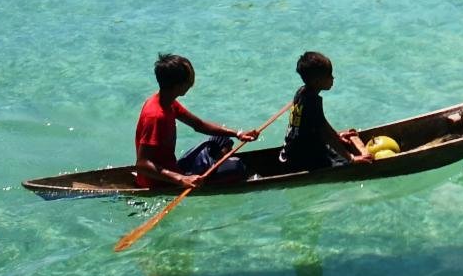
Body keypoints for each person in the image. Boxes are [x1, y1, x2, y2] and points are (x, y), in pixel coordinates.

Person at [134, 52, 254, 190]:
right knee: (237, 167)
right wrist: (182, 179)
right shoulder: (155, 116)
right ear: (177, 85)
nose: (192, 82)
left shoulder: (168, 101)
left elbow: (199, 125)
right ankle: (217, 172)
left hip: (174, 168)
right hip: (165, 181)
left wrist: (238, 134)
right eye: (189, 80)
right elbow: (142, 164)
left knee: (222, 137)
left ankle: (216, 167)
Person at [280, 50, 373, 171]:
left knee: (333, 149)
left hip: (291, 151)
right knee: (344, 162)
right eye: (329, 75)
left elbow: (322, 123)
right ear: (317, 81)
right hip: (302, 158)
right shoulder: (311, 101)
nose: (333, 78)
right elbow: (325, 133)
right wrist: (351, 159)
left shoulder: (301, 92)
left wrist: (338, 137)